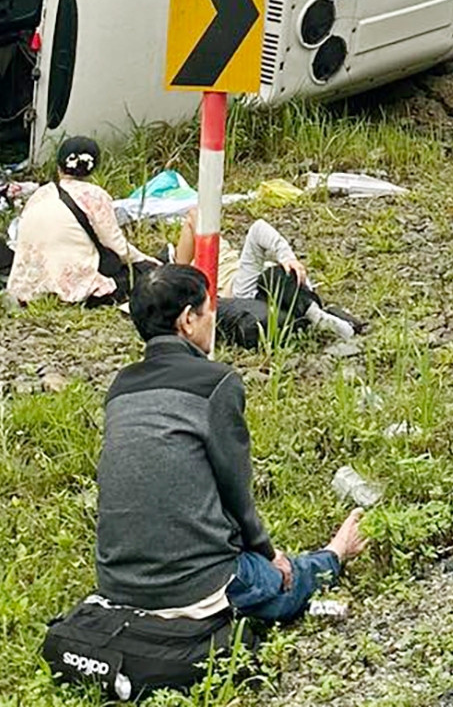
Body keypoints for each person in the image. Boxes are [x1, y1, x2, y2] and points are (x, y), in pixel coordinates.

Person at [96, 263, 367, 622]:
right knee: (285, 580)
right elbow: (234, 488)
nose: (215, 318)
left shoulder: (120, 387)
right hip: (198, 588)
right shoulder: (216, 382)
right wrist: (269, 555)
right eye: (210, 309)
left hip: (118, 586)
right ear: (188, 320)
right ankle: (336, 553)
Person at [7, 137, 155, 306]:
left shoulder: (40, 194)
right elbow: (117, 246)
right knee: (144, 274)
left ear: (58, 165)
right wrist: (147, 260)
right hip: (72, 289)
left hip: (27, 288)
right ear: (94, 168)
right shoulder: (94, 195)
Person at [175, 213, 363, 344]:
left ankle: (315, 314)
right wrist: (177, 272)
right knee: (273, 272)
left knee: (281, 274)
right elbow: (193, 217)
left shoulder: (212, 242)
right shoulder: (185, 274)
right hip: (239, 290)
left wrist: (288, 259)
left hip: (253, 278)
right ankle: (315, 315)